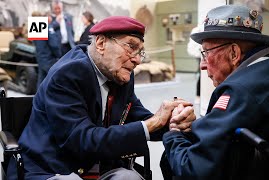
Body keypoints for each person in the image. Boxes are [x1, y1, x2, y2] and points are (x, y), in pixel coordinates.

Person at [7, 16, 195, 180]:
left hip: (99, 166)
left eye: (140, 52)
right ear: (101, 43)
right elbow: (81, 140)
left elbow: (137, 117)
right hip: (53, 168)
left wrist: (175, 122)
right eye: (131, 47)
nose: (137, 59)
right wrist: (153, 123)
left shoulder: (119, 76)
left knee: (130, 177)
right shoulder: (68, 74)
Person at [162, 5, 269, 179]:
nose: (202, 64)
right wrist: (195, 126)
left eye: (206, 53)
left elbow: (194, 170)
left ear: (234, 53)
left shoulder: (240, 89)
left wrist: (174, 134)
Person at [32, 11, 61, 88]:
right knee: (55, 80)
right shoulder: (48, 27)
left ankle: (39, 98)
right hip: (49, 58)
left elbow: (34, 43)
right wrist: (59, 55)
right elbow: (54, 45)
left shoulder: (35, 26)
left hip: (40, 57)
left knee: (41, 80)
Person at [187, 25, 202, 104]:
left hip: (202, 53)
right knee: (201, 74)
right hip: (199, 54)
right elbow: (192, 46)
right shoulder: (196, 30)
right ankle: (198, 95)